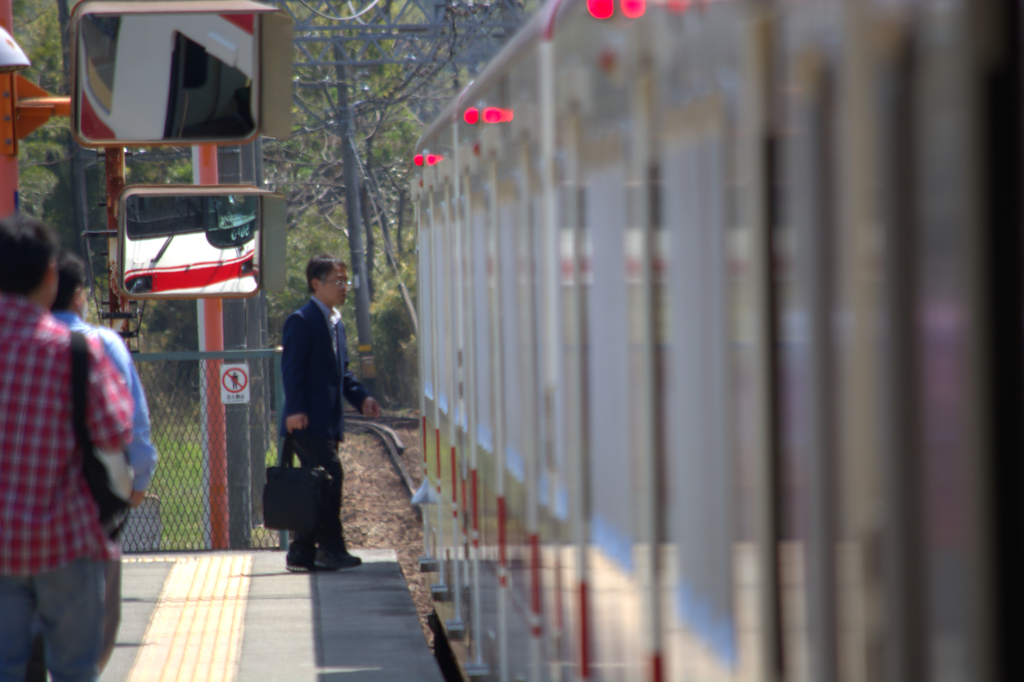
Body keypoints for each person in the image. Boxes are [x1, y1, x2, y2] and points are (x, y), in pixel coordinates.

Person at [0, 216, 134, 682]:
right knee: (76, 669)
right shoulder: (74, 351)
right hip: (67, 541)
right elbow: (115, 434)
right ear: (50, 276)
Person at [50, 250, 158, 673]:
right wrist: (138, 482)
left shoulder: (12, 343)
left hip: (18, 504)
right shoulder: (103, 344)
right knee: (100, 602)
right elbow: (134, 425)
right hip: (95, 500)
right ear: (78, 294)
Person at [280, 255, 381, 572]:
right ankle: (330, 549)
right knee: (330, 478)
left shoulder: (336, 323)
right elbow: (292, 370)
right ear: (316, 284)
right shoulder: (302, 320)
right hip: (307, 420)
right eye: (338, 281)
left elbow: (344, 374)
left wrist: (362, 398)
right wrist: (295, 409)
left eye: (345, 280)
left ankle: (302, 552)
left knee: (319, 484)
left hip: (327, 422)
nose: (345, 287)